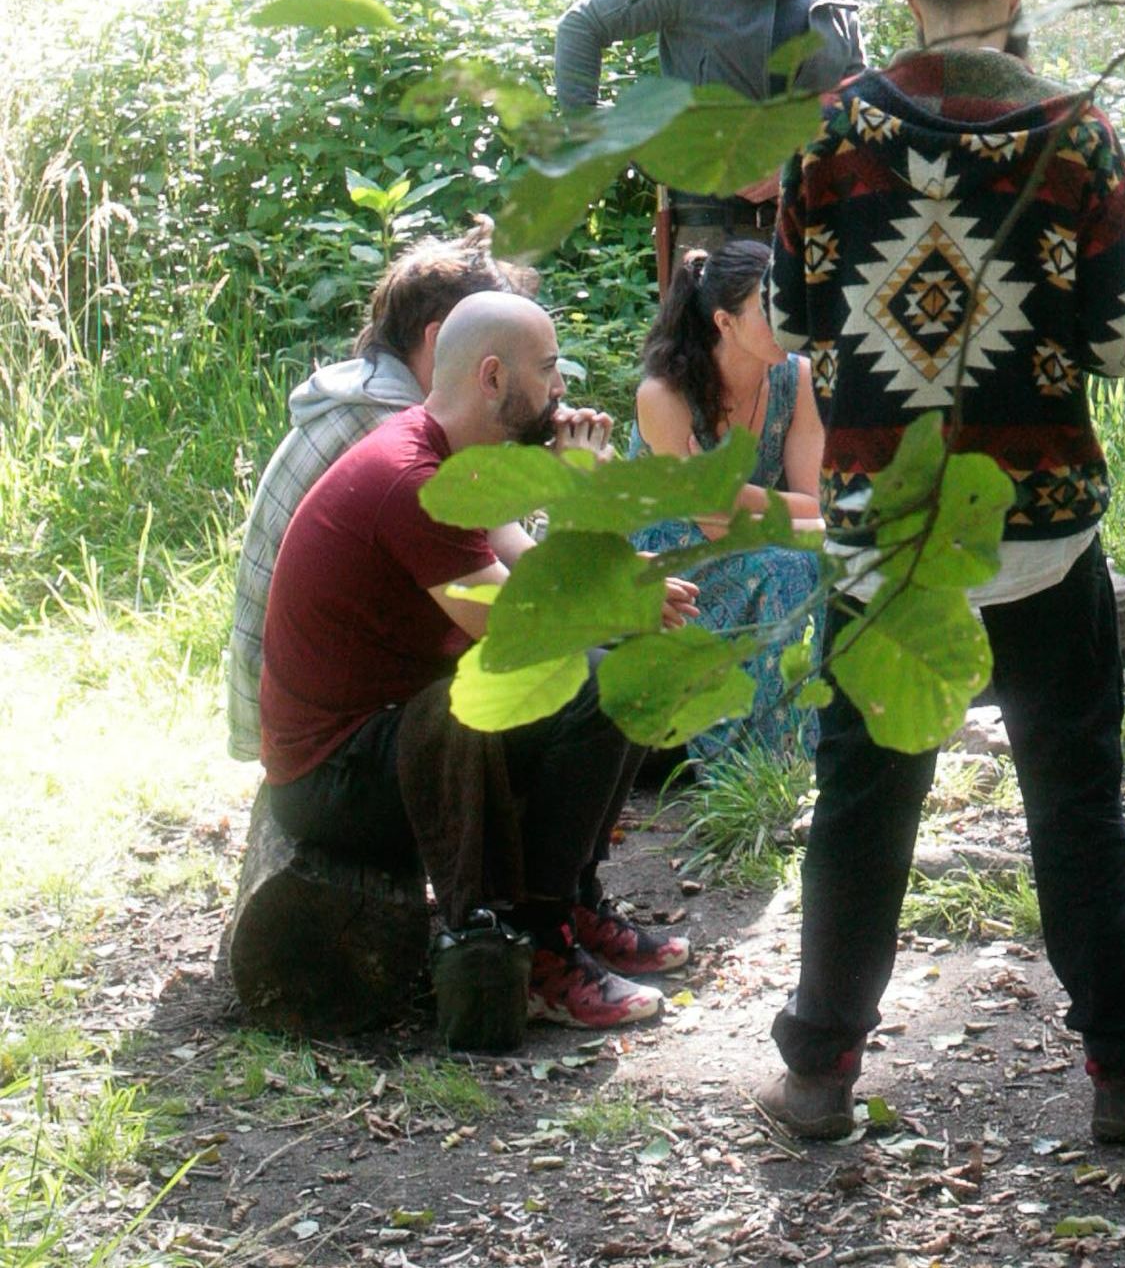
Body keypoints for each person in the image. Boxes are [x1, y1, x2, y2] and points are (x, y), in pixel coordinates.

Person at [751, 0, 1125, 1148]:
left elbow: (791, 315)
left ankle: (817, 1071)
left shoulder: (835, 129)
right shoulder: (1074, 131)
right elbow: (1119, 340)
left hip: (881, 530)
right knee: (1068, 798)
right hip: (1038, 525)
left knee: (863, 799)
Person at [255, 293, 696, 1028]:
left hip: (391, 734)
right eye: (549, 370)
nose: (561, 390)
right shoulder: (415, 477)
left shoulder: (455, 456)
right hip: (334, 776)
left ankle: (572, 901)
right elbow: (512, 624)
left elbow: (529, 573)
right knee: (597, 683)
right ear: (492, 377)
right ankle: (541, 944)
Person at [227, 229, 533, 764]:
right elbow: (500, 595)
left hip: (299, 689)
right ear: (442, 342)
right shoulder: (390, 426)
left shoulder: (377, 395)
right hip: (322, 717)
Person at [553, 0, 867, 270]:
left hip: (812, 241)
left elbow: (863, 115)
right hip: (708, 242)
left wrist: (802, 163)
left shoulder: (836, 10)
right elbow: (581, 25)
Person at [628, 240, 827, 761]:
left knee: (832, 564)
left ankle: (822, 749)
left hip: (759, 538)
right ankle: (756, 765)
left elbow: (813, 501)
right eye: (771, 309)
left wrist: (730, 493)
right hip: (671, 558)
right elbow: (711, 526)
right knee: (789, 568)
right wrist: (813, 527)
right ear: (726, 322)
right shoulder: (664, 393)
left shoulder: (796, 376)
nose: (790, 321)